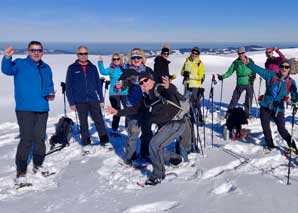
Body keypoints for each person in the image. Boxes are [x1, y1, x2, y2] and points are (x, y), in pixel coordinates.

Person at [106, 70, 185, 185]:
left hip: (176, 123)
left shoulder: (159, 89)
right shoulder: (147, 99)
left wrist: (169, 86)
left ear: (152, 80)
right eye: (141, 82)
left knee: (154, 145)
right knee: (153, 148)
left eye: (146, 80)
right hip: (166, 126)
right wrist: (117, 112)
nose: (143, 83)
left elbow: (170, 93)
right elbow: (134, 109)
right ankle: (175, 158)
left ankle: (158, 175)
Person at [1, 41, 55, 185]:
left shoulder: (46, 67)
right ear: (28, 51)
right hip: (25, 108)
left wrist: (51, 94)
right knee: (26, 139)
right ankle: (21, 171)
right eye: (33, 50)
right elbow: (7, 70)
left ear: (42, 52)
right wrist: (6, 58)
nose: (36, 53)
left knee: (39, 138)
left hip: (42, 108)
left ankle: (38, 164)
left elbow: (49, 84)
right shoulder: (20, 64)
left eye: (39, 50)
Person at [243, 57, 298, 153]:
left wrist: (293, 101)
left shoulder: (291, 82)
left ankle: (293, 146)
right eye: (282, 66)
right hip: (265, 106)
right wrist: (248, 63)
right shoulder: (271, 75)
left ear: (289, 69)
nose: (284, 69)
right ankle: (270, 145)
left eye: (286, 67)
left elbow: (294, 96)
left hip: (278, 109)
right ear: (279, 67)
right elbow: (260, 70)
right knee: (266, 128)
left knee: (282, 130)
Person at [66, 46, 109, 153]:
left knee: (99, 120)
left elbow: (98, 85)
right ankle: (86, 142)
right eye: (81, 54)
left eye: (85, 53)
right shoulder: (72, 68)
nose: (83, 55)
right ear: (77, 55)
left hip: (93, 98)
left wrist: (101, 99)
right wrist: (71, 102)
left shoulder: (92, 67)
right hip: (79, 100)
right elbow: (69, 87)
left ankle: (104, 140)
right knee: (83, 121)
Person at [116, 48, 153, 164]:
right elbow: (119, 87)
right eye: (133, 58)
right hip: (132, 106)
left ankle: (145, 153)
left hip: (147, 106)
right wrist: (118, 87)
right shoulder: (127, 72)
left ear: (142, 58)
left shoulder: (148, 70)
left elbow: (154, 84)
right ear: (130, 59)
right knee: (134, 133)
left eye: (138, 57)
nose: (136, 59)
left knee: (147, 132)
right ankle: (130, 156)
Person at [218, 47, 255, 118]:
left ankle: (247, 113)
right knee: (234, 99)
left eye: (242, 53)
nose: (240, 54)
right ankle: (229, 113)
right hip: (240, 82)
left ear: (244, 53)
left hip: (249, 82)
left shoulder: (250, 61)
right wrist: (222, 76)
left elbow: (254, 69)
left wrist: (253, 76)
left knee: (249, 99)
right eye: (239, 53)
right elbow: (229, 72)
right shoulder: (236, 62)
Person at [98, 53, 128, 133]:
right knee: (116, 110)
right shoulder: (111, 68)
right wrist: (100, 62)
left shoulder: (124, 67)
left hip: (125, 92)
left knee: (128, 109)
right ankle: (115, 128)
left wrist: (126, 62)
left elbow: (130, 71)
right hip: (114, 93)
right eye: (114, 59)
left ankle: (127, 127)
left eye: (118, 59)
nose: (116, 61)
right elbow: (103, 72)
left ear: (120, 59)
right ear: (112, 60)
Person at [180, 47, 205, 122]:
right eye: (193, 53)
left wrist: (190, 76)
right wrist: (184, 73)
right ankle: (191, 117)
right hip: (187, 84)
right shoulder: (187, 60)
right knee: (187, 101)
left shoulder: (200, 63)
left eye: (196, 53)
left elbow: (200, 76)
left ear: (198, 54)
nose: (194, 54)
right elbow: (181, 72)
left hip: (195, 85)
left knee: (195, 102)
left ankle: (199, 116)